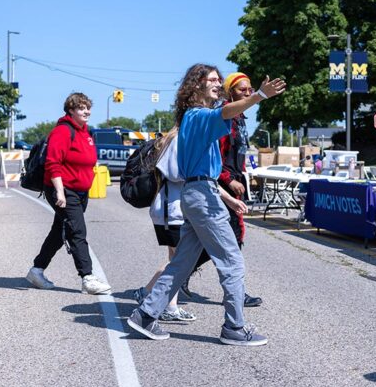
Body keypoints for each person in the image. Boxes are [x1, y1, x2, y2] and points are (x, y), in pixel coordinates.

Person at [127, 64, 285, 345]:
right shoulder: (199, 115)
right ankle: (234, 328)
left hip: (200, 193)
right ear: (195, 86)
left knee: (181, 264)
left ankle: (145, 315)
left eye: (218, 80)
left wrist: (228, 199)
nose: (217, 83)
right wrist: (259, 94)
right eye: (211, 80)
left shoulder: (194, 119)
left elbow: (202, 171)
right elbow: (227, 112)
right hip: (201, 197)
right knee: (232, 262)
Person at [180, 72, 262, 308]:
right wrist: (227, 180)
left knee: (211, 244)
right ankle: (236, 311)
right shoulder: (220, 117)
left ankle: (151, 303)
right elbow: (214, 154)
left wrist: (244, 175)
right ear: (230, 93)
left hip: (227, 183)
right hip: (215, 184)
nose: (247, 93)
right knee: (231, 247)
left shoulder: (241, 120)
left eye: (250, 89)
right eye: (242, 90)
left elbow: (239, 154)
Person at [26, 93, 112, 295]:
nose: (86, 111)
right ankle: (87, 277)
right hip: (63, 189)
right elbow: (53, 163)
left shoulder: (86, 133)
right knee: (77, 231)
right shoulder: (63, 132)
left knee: (59, 232)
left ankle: (37, 270)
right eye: (81, 108)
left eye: (88, 107)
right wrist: (59, 193)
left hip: (80, 191)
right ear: (71, 110)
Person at [131, 127, 199, 322]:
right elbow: (174, 172)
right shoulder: (178, 139)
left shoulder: (176, 138)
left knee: (176, 260)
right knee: (179, 263)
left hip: (171, 210)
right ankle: (147, 293)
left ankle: (169, 305)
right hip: (172, 211)